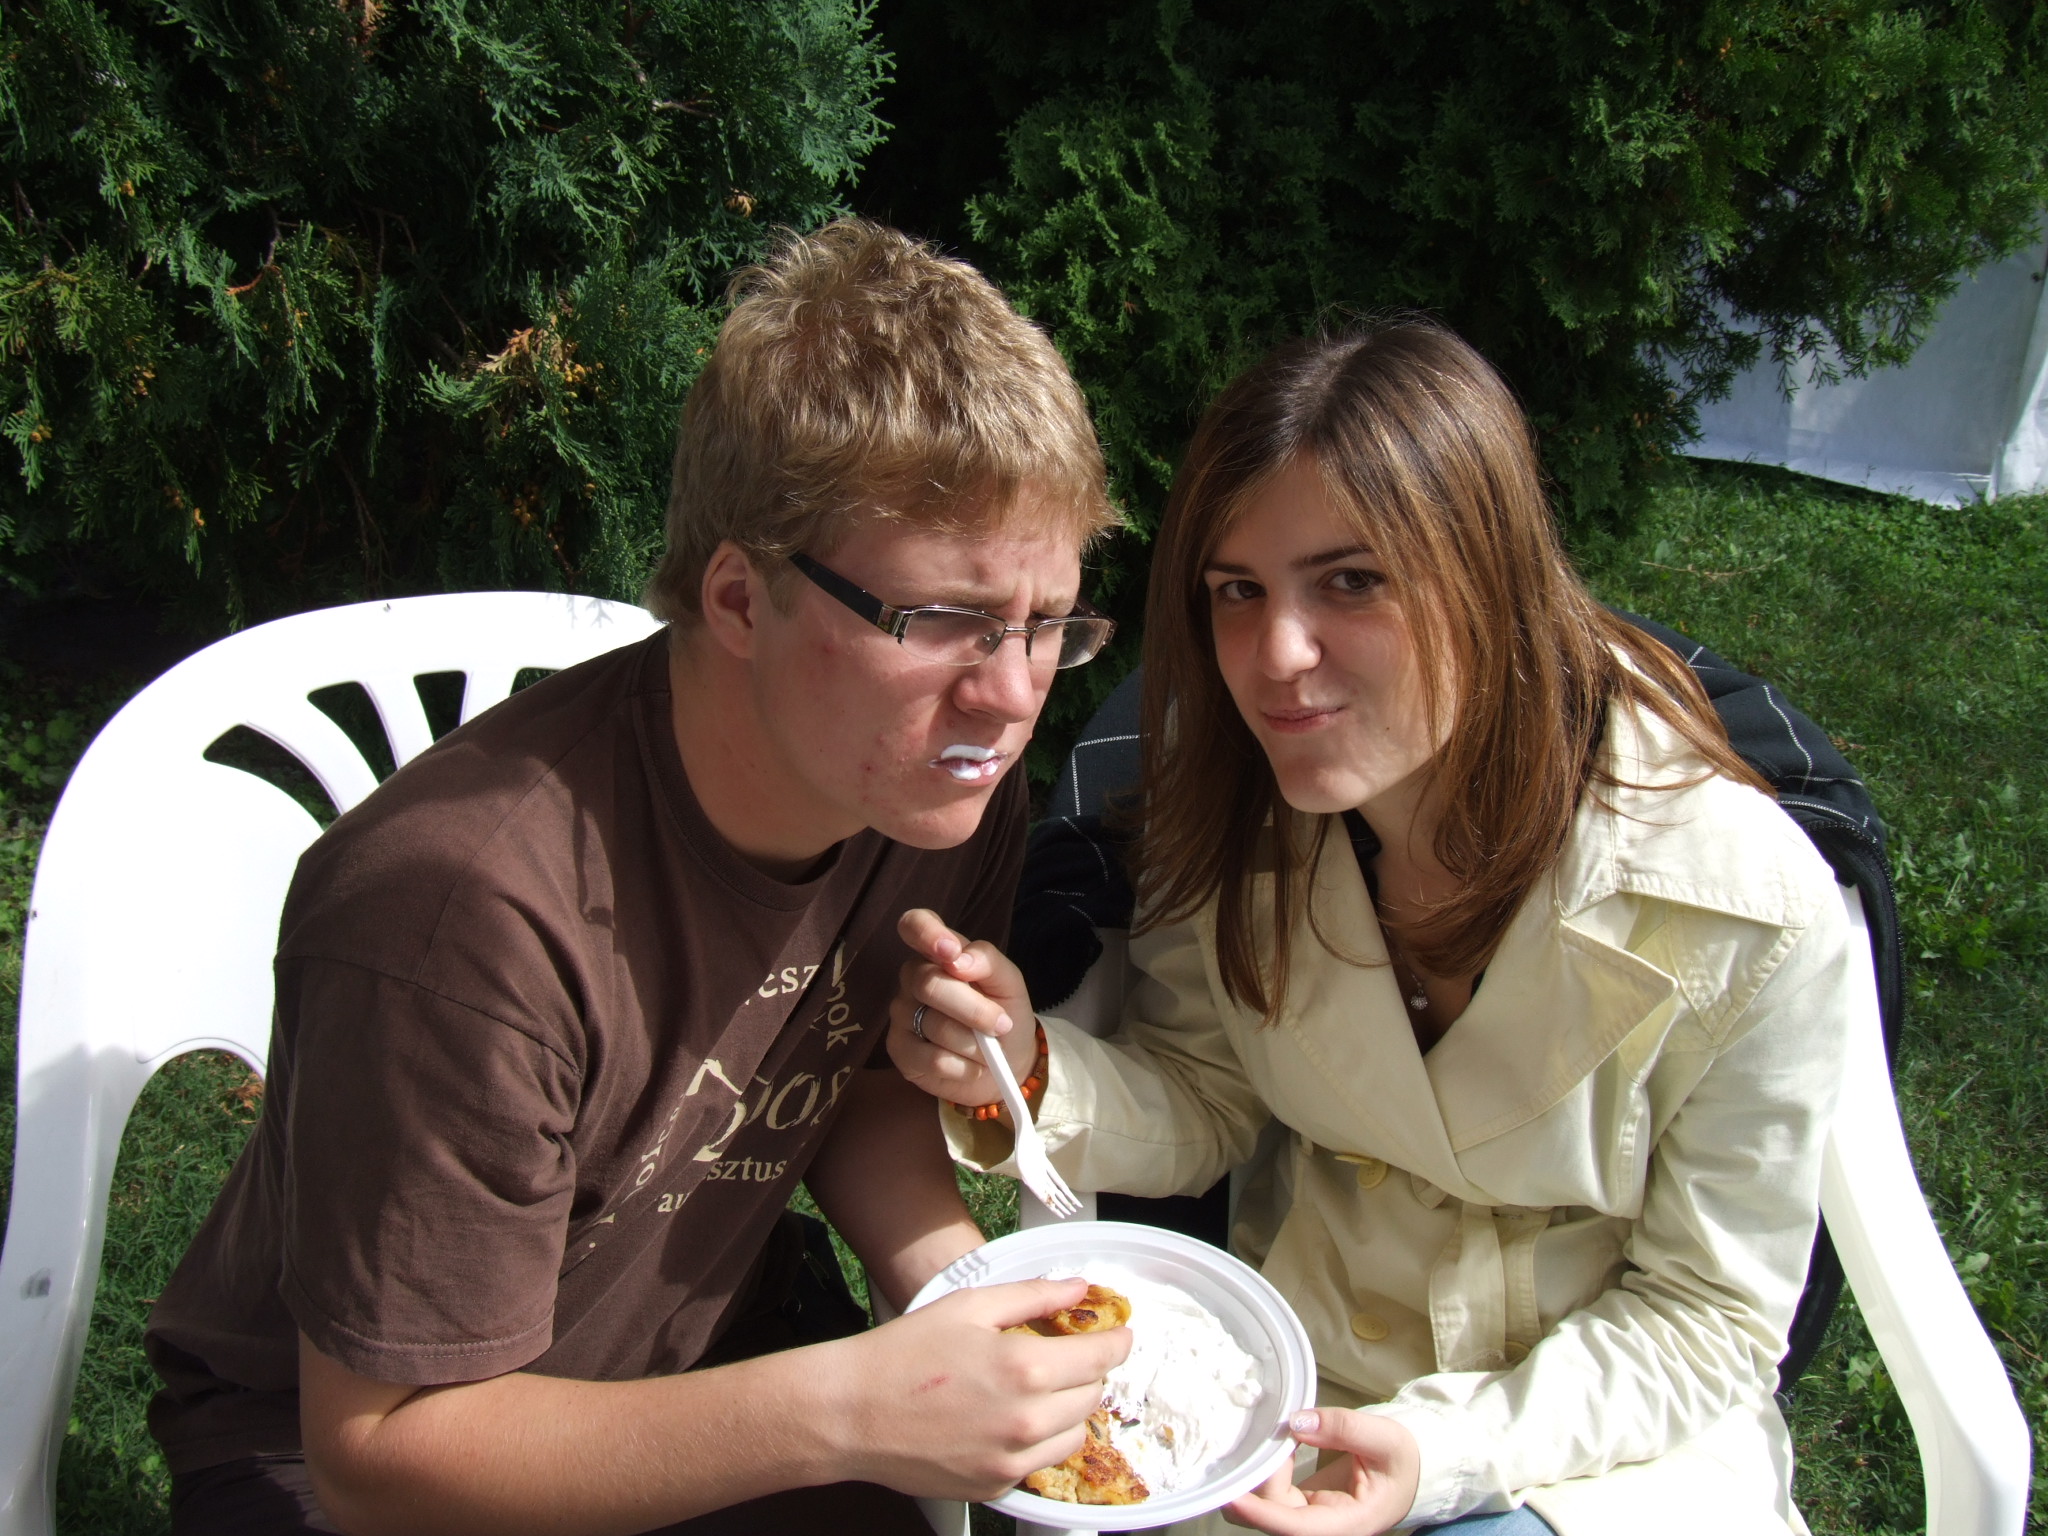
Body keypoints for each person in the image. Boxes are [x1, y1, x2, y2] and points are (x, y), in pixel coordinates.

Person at [142, 219, 1135, 1536]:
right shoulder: (458, 919)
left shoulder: (933, 795)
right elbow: (381, 1460)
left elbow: (851, 1080)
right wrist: (846, 1408)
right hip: (375, 1462)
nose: (1009, 697)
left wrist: (963, 1291)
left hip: (697, 1361)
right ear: (739, 600)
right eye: (944, 620)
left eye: (1045, 624)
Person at [891, 317, 1857, 1536]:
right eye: (1236, 592)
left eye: (1351, 581)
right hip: (1290, 1410)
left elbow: (1706, 1319)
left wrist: (1442, 1454)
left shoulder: (1742, 909)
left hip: (1600, 1458)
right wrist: (1026, 1065)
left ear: (1487, 575)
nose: (1275, 655)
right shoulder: (1234, 815)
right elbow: (1209, 1095)